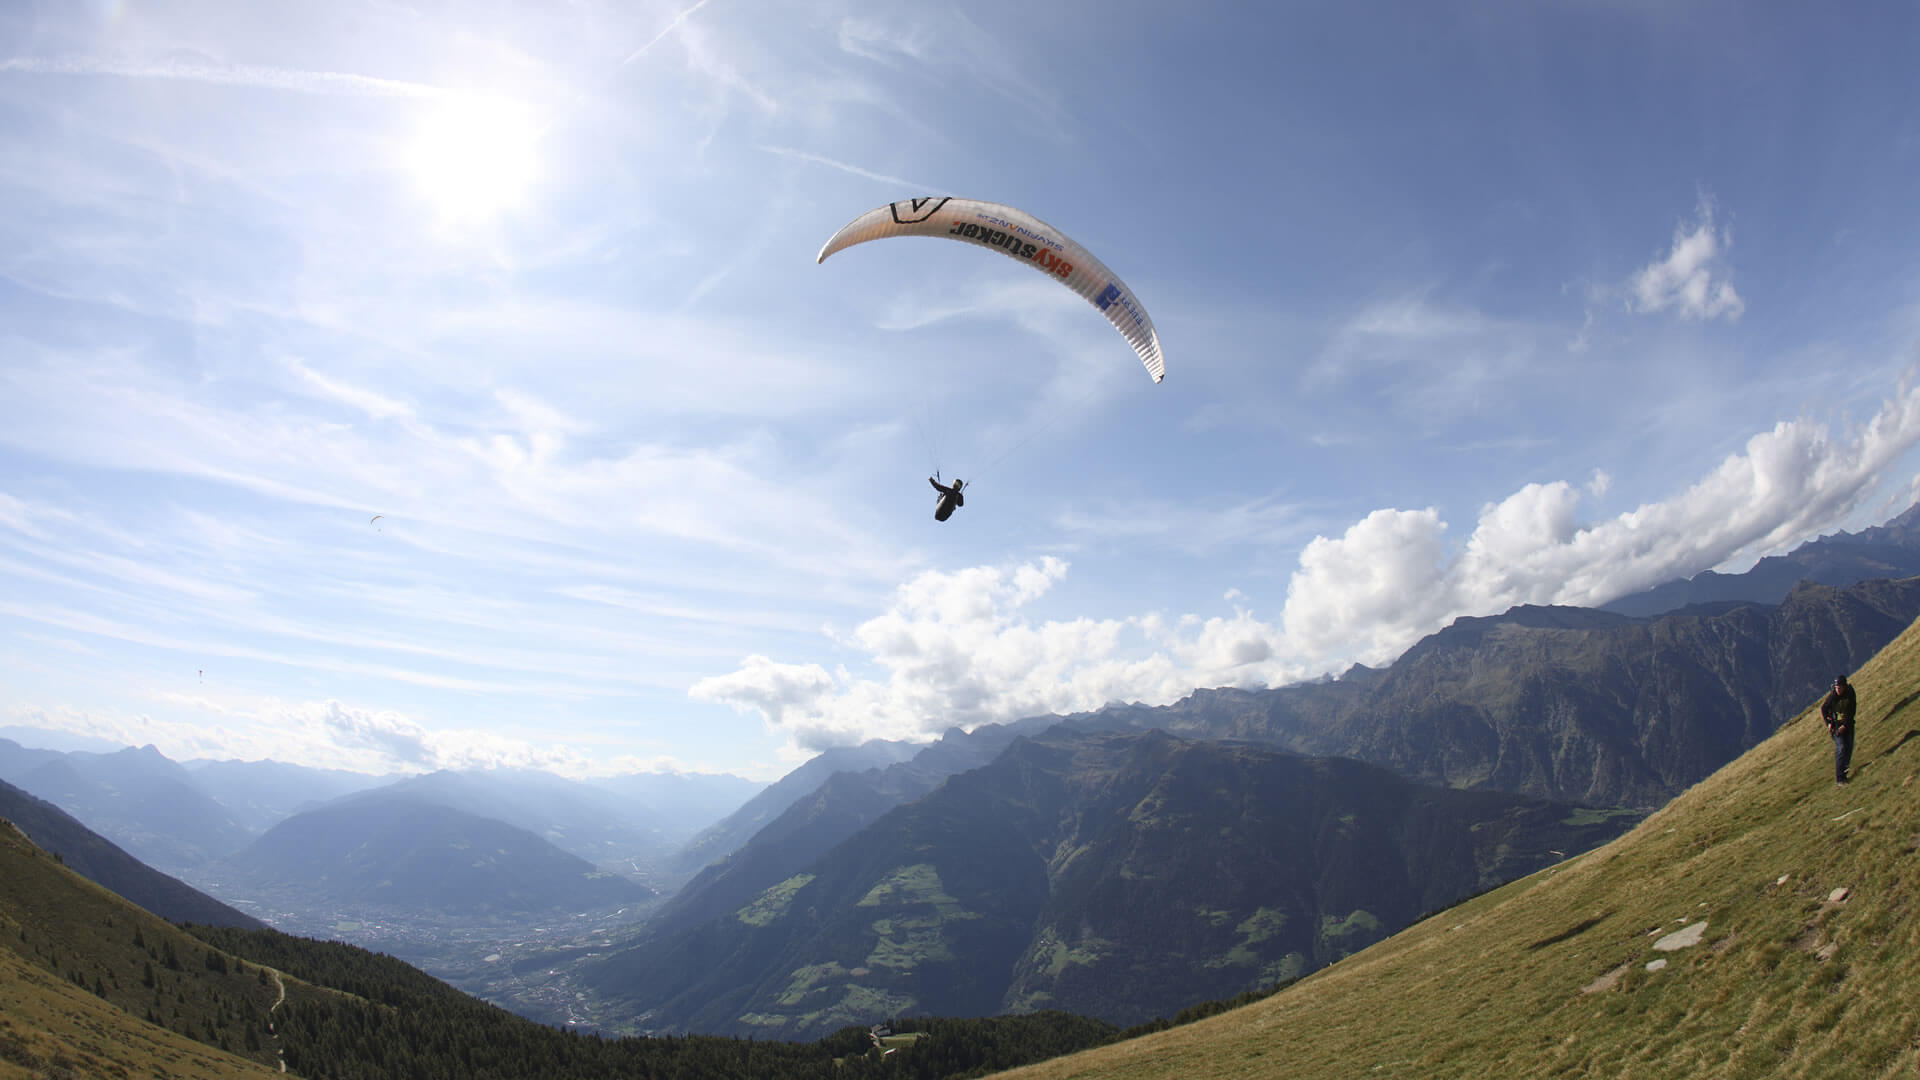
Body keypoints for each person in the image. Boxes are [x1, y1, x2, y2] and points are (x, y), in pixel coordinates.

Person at [1821, 674, 1858, 785]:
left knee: (1849, 749)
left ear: (1845, 686)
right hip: (1836, 727)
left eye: (1840, 687)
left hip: (1848, 725)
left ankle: (1844, 772)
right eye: (1836, 687)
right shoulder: (1833, 696)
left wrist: (1845, 726)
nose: (1838, 690)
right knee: (1841, 748)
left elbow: (1852, 711)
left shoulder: (1850, 693)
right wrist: (1829, 724)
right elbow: (1823, 709)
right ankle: (1840, 779)